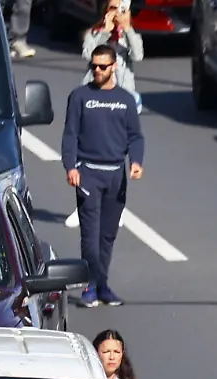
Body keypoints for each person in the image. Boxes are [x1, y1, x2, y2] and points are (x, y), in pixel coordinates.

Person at [61, 44, 145, 309]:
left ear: (114, 67)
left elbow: (135, 136)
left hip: (115, 175)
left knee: (107, 234)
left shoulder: (126, 99)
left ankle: (103, 284)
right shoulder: (80, 96)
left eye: (102, 66)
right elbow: (70, 134)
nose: (96, 70)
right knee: (90, 234)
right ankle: (90, 287)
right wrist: (70, 167)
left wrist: (137, 162)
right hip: (88, 173)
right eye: (93, 66)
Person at [65, 0, 146, 230]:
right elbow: (88, 54)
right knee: (87, 151)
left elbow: (138, 55)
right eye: (112, 7)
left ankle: (115, 207)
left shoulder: (128, 36)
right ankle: (83, 205)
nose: (116, 13)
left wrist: (127, 28)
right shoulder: (94, 33)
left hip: (122, 101)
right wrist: (103, 32)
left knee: (115, 153)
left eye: (121, 8)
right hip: (93, 99)